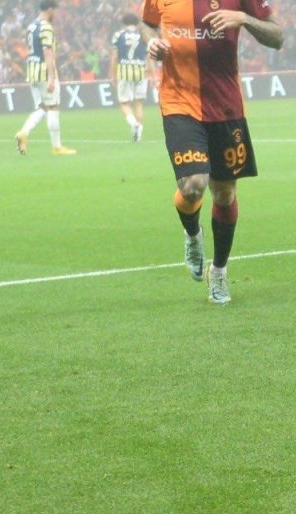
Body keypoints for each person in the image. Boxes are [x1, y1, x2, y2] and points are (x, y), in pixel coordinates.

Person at [142, 0, 283, 305]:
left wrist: (243, 18)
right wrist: (152, 43)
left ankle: (218, 271)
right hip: (178, 102)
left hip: (225, 106)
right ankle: (193, 234)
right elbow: (148, 24)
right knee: (193, 185)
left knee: (224, 194)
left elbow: (277, 37)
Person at [14, 0, 76, 157]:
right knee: (53, 107)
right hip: (44, 72)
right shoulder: (46, 27)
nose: (56, 14)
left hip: (32, 71)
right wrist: (52, 77)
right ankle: (57, 147)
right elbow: (47, 51)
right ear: (50, 10)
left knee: (42, 108)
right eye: (55, 11)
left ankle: (23, 132)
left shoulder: (31, 26)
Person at [110, 12, 152, 142]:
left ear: (124, 23)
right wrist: (152, 73)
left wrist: (113, 74)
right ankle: (139, 134)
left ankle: (134, 124)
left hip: (124, 71)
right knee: (138, 103)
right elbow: (149, 55)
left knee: (124, 103)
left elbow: (114, 56)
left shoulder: (118, 35)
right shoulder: (143, 35)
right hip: (141, 71)